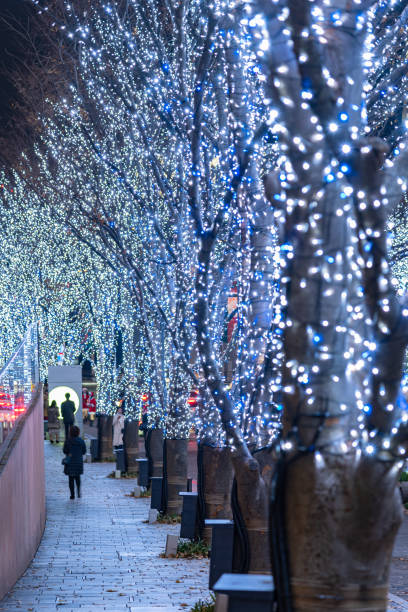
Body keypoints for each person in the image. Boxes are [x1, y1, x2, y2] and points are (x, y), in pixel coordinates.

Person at [63, 425, 86, 499]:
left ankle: (72, 495)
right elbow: (84, 451)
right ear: (78, 432)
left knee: (71, 479)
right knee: (78, 477)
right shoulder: (81, 441)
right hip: (78, 461)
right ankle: (78, 492)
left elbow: (64, 451)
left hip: (70, 462)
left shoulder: (68, 441)